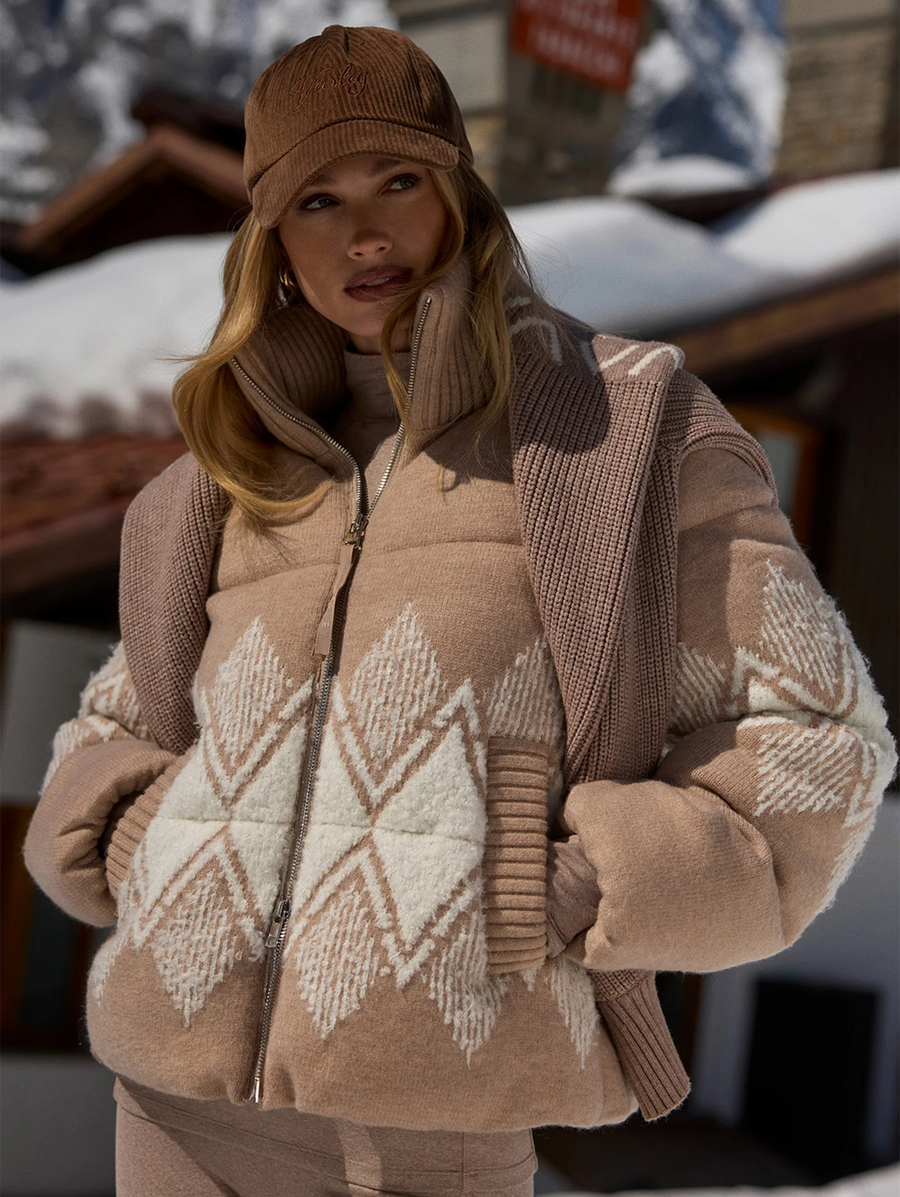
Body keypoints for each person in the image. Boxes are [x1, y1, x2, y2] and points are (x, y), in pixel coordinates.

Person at [24, 24, 896, 1197]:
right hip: (174, 1113)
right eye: (318, 200)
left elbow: (813, 741)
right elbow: (110, 731)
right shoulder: (221, 478)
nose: (365, 233)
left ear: (459, 197)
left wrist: (570, 883)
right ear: (273, 240)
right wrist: (150, 844)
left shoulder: (622, 436)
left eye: (398, 181)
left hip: (440, 1122)